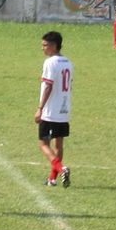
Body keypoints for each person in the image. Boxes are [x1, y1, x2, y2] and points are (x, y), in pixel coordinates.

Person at [37, 30, 73, 187]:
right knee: (59, 144)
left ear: (53, 46)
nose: (42, 48)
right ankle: (52, 179)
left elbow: (48, 86)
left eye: (45, 45)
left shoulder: (50, 63)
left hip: (50, 111)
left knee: (43, 143)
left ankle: (61, 168)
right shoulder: (68, 62)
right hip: (64, 109)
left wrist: (40, 108)